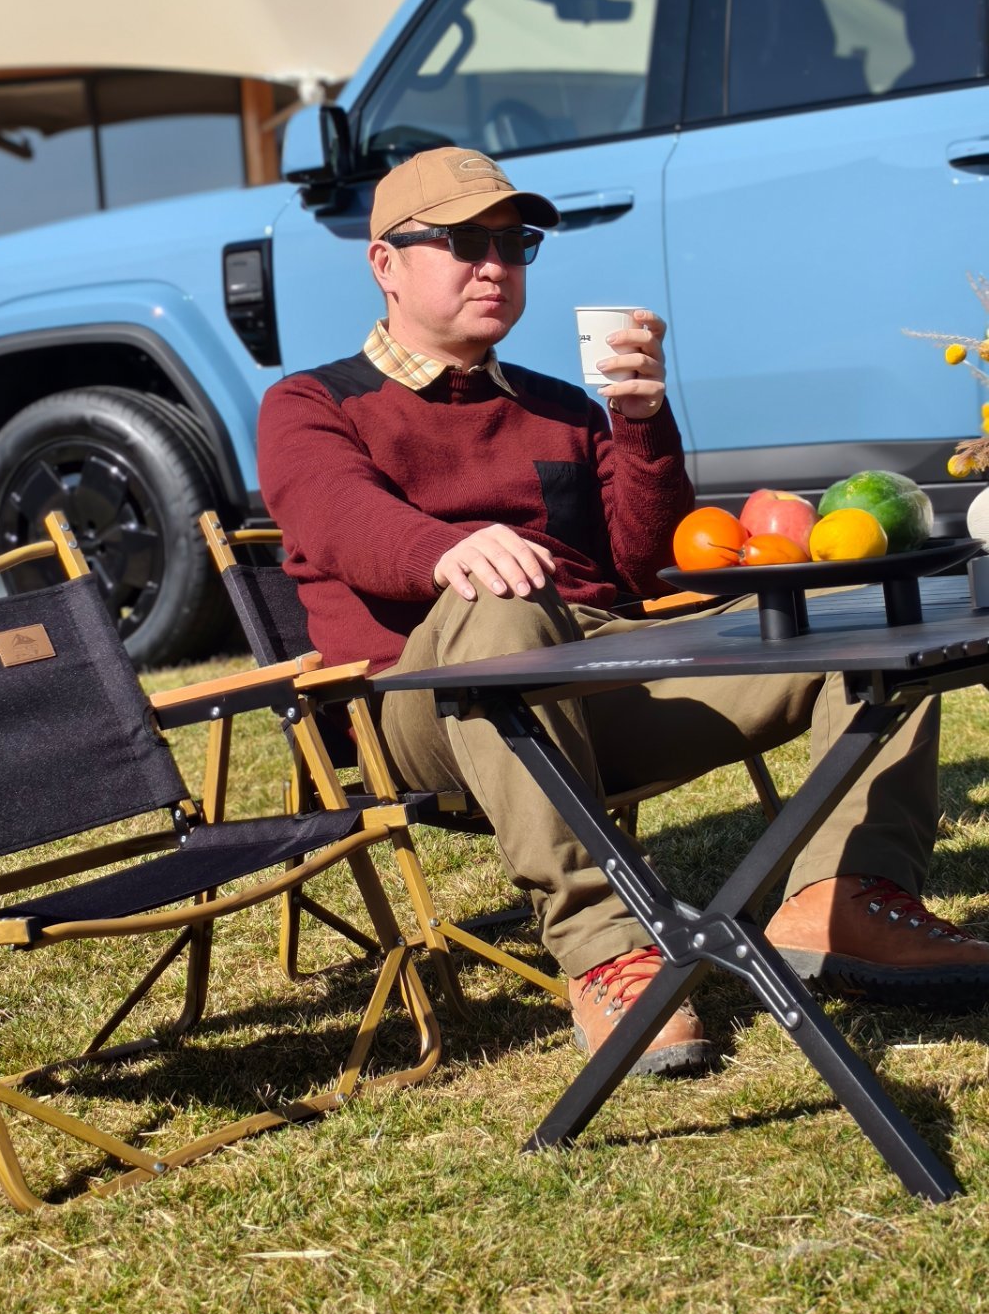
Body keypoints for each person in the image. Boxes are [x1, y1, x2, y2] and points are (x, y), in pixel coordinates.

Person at [259, 145, 989, 1069]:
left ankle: (845, 897)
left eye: (514, 244)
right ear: (385, 264)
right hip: (426, 701)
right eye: (464, 242)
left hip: (597, 674)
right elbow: (337, 516)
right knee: (501, 601)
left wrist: (639, 422)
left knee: (876, 612)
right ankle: (606, 950)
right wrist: (449, 550)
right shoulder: (312, 403)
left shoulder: (562, 407)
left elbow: (647, 566)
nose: (495, 265)